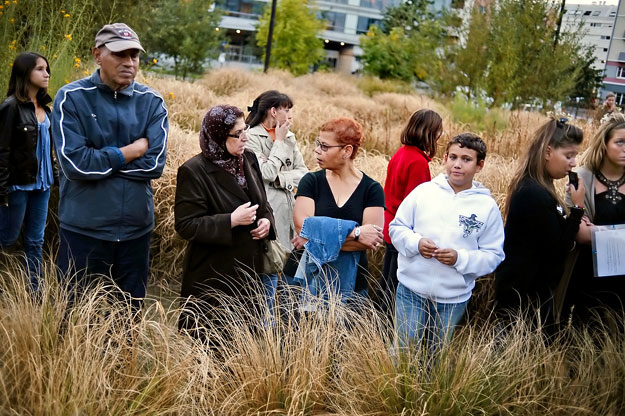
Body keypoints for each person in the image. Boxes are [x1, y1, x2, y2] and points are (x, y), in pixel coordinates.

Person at [51, 23, 168, 308]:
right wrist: (130, 151)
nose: (129, 62)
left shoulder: (152, 103)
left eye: (134, 56)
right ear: (97, 55)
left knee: (127, 317)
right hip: (84, 231)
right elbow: (75, 164)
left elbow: (154, 164)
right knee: (76, 317)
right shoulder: (71, 98)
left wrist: (101, 159)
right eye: (120, 54)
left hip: (135, 233)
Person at [389, 133, 504, 350]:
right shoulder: (424, 192)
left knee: (435, 354)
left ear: (479, 165)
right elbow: (397, 228)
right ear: (444, 158)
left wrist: (460, 258)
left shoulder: (486, 207)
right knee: (404, 351)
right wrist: (416, 243)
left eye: (466, 159)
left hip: (453, 298)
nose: (457, 165)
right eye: (453, 157)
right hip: (411, 290)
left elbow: (494, 255)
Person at [175, 105, 277, 337]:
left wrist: (267, 221)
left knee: (245, 343)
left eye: (246, 129)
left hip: (250, 271)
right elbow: (186, 225)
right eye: (237, 133)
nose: (245, 138)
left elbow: (263, 202)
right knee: (211, 344)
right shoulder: (194, 170)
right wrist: (230, 220)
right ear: (219, 136)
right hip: (213, 273)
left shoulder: (248, 158)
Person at [495, 114, 585, 329]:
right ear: (547, 152)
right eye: (569, 156)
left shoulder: (540, 186)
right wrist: (577, 209)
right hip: (521, 305)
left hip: (528, 297)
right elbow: (557, 251)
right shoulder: (532, 193)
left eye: (575, 156)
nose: (573, 164)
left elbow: (547, 235)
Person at [291, 118, 384, 299]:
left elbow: (371, 239)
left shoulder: (372, 189)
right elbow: (302, 227)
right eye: (318, 144)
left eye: (325, 146)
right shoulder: (311, 181)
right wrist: (356, 233)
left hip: (353, 284)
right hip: (304, 279)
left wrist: (316, 235)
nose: (317, 150)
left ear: (347, 151)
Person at [0, 52, 56, 292]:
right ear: (25, 73)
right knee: (7, 239)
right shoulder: (10, 106)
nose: (46, 74)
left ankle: (35, 291)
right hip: (18, 185)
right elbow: (2, 150)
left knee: (36, 241)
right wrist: (2, 189)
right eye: (40, 69)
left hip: (42, 184)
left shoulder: (46, 108)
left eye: (47, 69)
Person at [379, 109, 443, 318]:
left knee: (387, 282)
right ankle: (389, 329)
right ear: (430, 132)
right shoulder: (418, 162)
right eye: (438, 130)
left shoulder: (402, 153)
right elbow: (418, 206)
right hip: (403, 231)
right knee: (396, 288)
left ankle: (379, 324)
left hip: (390, 225)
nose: (441, 135)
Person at [564, 112, 625, 322]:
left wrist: (596, 232)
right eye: (620, 142)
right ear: (604, 143)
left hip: (623, 272)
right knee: (587, 330)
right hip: (588, 272)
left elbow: (589, 231)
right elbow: (580, 234)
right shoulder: (581, 177)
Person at [245, 91, 308, 254]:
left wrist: (280, 179)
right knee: (269, 263)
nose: (290, 116)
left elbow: (303, 174)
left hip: (289, 209)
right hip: (266, 211)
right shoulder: (250, 137)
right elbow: (266, 173)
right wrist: (278, 142)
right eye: (286, 110)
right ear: (273, 111)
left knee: (288, 259)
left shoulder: (290, 137)